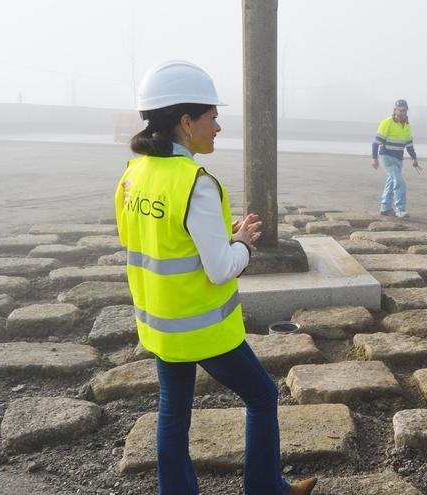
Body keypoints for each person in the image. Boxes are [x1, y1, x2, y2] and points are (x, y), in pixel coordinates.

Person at [115, 60, 317, 495]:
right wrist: (242, 242)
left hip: (160, 323)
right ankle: (266, 490)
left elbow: (159, 240)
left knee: (173, 412)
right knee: (263, 395)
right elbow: (222, 268)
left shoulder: (135, 175)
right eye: (212, 117)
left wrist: (217, 238)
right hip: (203, 326)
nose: (219, 127)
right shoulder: (196, 183)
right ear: (186, 122)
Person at [371, 99, 422, 218]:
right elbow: (376, 143)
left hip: (398, 159)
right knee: (399, 182)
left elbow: (409, 145)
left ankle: (385, 208)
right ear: (395, 110)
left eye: (405, 110)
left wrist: (414, 159)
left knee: (391, 181)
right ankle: (400, 209)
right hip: (387, 157)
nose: (403, 112)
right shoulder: (387, 123)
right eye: (401, 110)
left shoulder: (407, 125)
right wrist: (374, 158)